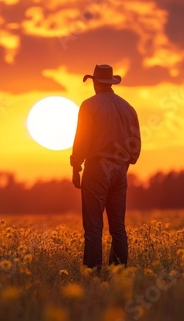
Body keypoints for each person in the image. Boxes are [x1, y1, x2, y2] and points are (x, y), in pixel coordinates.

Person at [70, 64, 141, 274]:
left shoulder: (89, 105)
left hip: (97, 169)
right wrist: (125, 164)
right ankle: (118, 274)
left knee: (93, 229)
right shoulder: (128, 107)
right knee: (118, 228)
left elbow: (82, 140)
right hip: (120, 171)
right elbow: (135, 144)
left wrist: (76, 167)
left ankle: (92, 275)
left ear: (94, 82)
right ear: (111, 82)